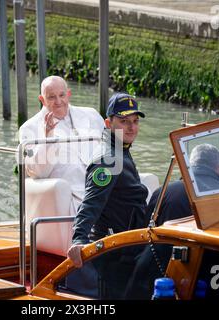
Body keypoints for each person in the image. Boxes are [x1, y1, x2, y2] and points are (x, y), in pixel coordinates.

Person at [67, 92, 149, 299]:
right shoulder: (108, 158)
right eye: (124, 121)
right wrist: (78, 239)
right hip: (116, 252)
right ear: (108, 122)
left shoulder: (120, 148)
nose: (131, 127)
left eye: (135, 121)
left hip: (130, 243)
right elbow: (91, 203)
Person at [124, 143, 219, 299]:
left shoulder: (164, 192)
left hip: (159, 274)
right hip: (207, 274)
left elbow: (145, 235)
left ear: (188, 166)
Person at [19, 76, 105, 215]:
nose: (58, 102)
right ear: (42, 100)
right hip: (65, 194)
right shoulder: (29, 128)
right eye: (51, 97)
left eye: (62, 95)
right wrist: (48, 137)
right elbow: (38, 173)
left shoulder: (91, 115)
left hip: (98, 187)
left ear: (68, 94)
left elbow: (110, 149)